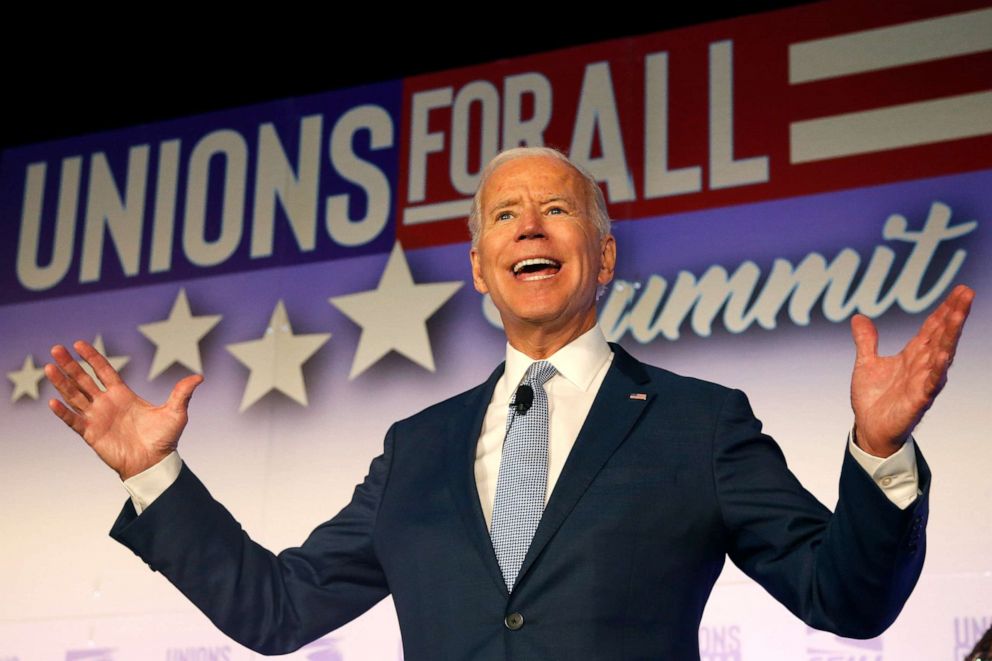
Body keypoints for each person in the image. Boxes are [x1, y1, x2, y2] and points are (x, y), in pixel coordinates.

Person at [44, 147, 974, 660]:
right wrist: (153, 471)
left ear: (602, 257)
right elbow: (278, 610)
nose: (529, 224)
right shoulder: (418, 447)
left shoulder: (700, 422)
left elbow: (844, 600)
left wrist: (876, 447)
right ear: (484, 269)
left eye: (557, 209)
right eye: (503, 215)